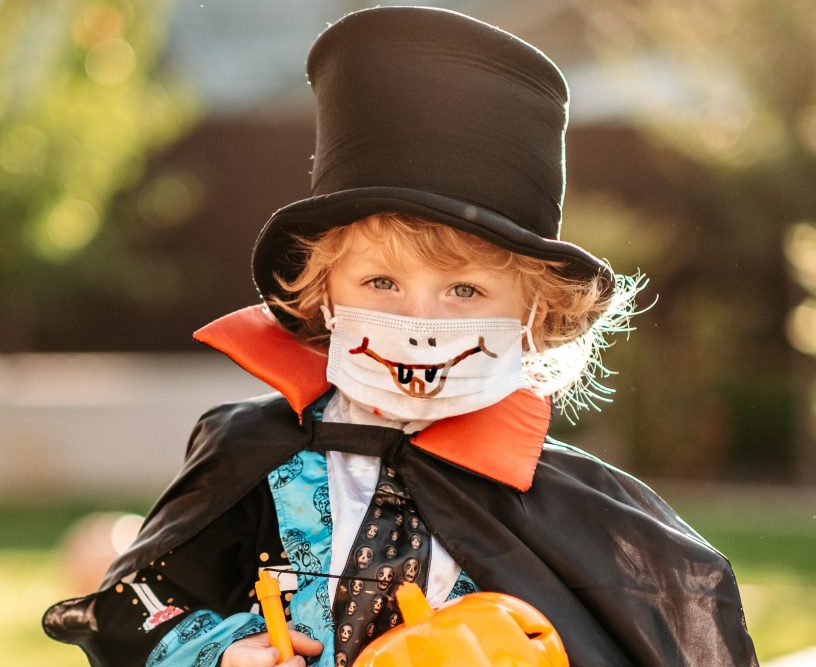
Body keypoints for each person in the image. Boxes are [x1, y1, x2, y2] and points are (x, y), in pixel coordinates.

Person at [43, 6, 758, 666]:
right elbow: (137, 597)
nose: (418, 321)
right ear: (323, 294)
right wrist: (221, 651)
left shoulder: (588, 511)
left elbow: (672, 632)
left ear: (534, 315)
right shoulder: (253, 454)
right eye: (381, 284)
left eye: (465, 290)